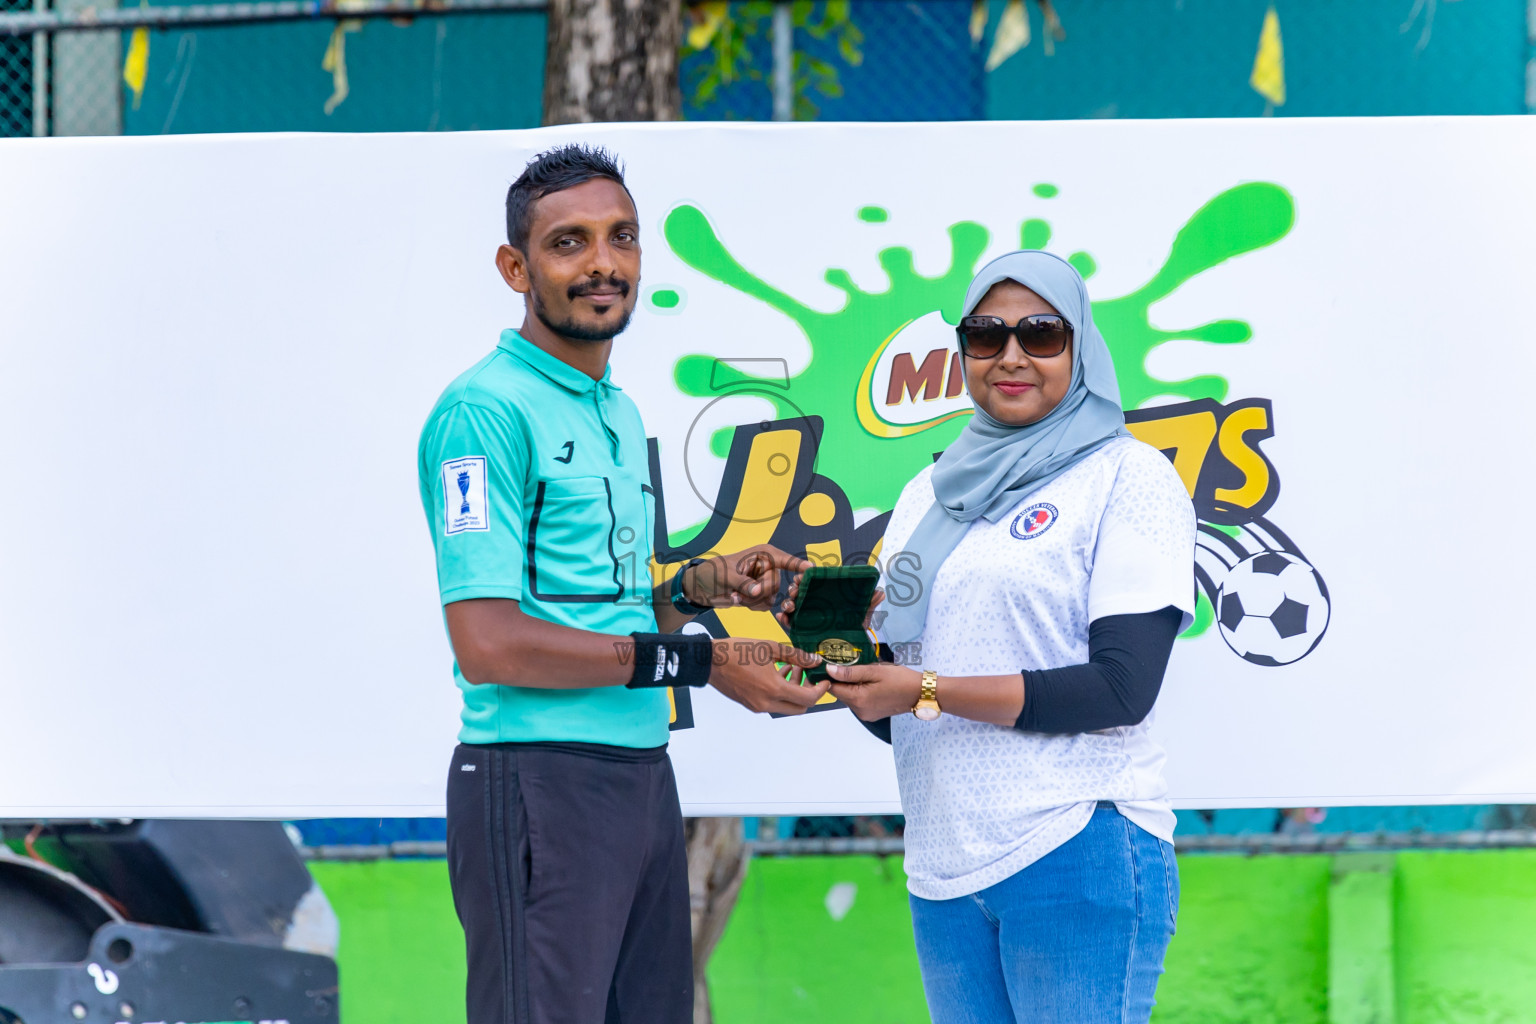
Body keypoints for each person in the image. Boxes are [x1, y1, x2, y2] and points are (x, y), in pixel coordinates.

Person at [416, 144, 826, 1024]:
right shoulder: (482, 412)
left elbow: (610, 602)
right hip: (534, 780)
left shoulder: (616, 406)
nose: (603, 263)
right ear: (514, 267)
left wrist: (709, 584)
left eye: (622, 238)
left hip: (640, 777)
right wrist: (702, 664)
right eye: (570, 243)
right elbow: (487, 643)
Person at [814, 250, 1196, 1023]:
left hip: (1078, 845)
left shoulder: (1128, 477)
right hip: (945, 868)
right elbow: (904, 717)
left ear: (1079, 344)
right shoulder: (932, 491)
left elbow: (1121, 690)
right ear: (962, 353)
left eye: (1041, 333)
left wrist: (921, 690)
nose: (1012, 356)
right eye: (987, 335)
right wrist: (840, 652)